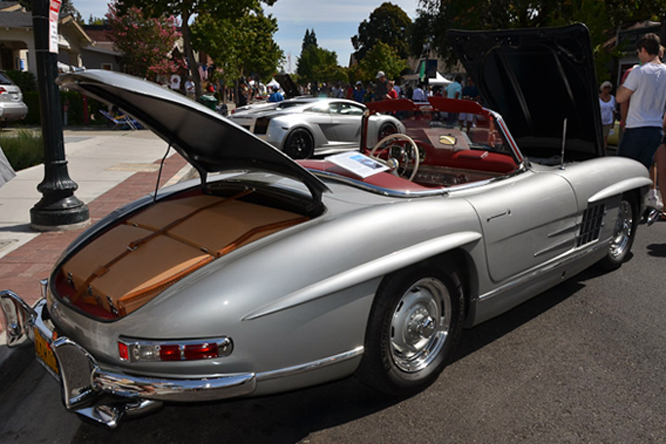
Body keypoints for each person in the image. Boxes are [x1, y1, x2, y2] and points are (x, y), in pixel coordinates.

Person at [616, 33, 666, 170]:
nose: (638, 56)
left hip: (637, 128)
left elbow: (620, 97)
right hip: (655, 129)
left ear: (643, 50)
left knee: (623, 170)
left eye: (638, 52)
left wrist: (626, 82)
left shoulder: (639, 72)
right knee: (643, 170)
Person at [598, 81, 616, 151]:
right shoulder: (598, 97)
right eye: (606, 88)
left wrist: (613, 122)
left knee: (605, 137)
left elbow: (613, 110)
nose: (607, 90)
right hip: (600, 121)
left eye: (609, 88)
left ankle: (604, 150)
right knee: (599, 137)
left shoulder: (612, 98)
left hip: (608, 121)